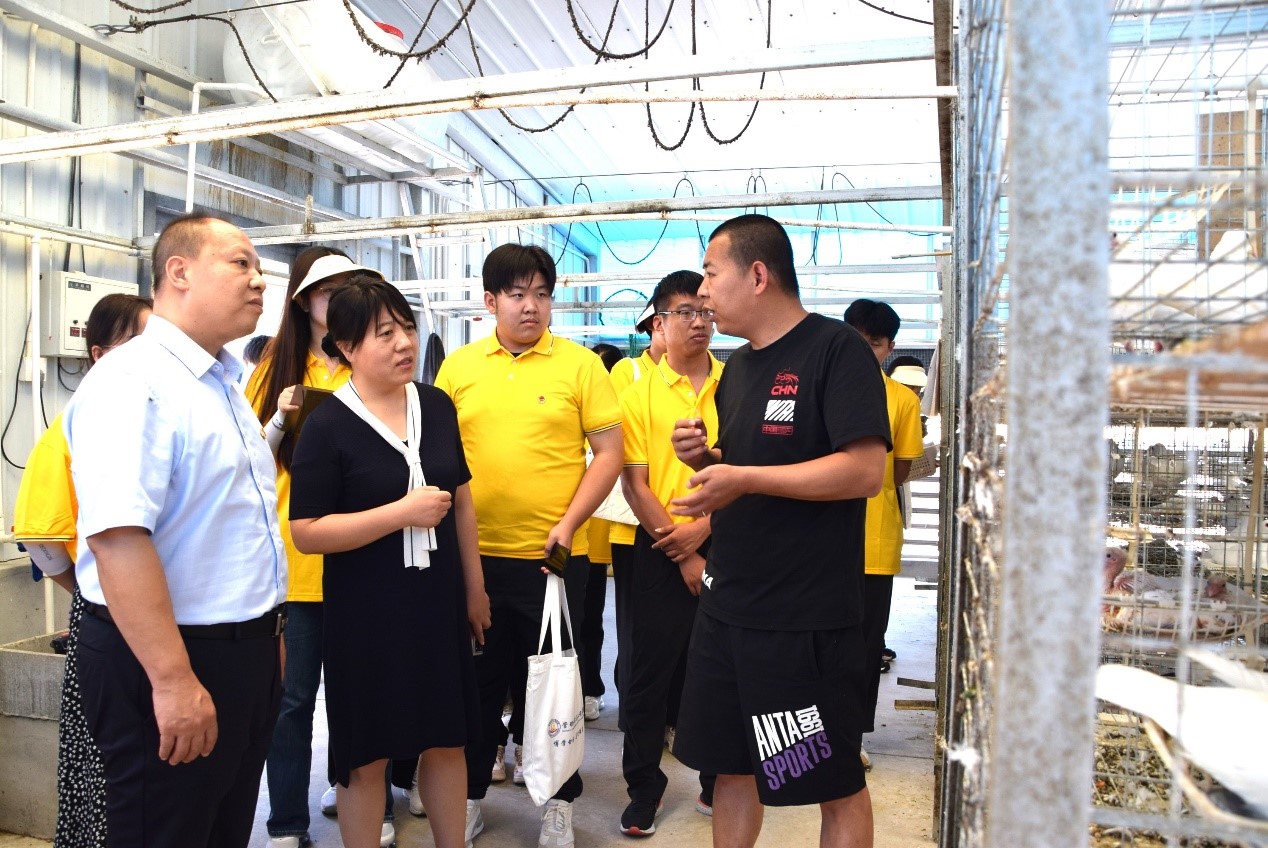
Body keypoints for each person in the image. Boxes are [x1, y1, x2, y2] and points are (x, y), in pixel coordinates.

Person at [62, 213, 288, 848]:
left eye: (259, 268)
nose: (258, 280)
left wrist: (264, 634)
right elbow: (117, 539)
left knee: (220, 828)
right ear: (179, 271)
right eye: (240, 263)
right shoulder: (132, 381)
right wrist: (172, 679)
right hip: (168, 657)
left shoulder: (223, 383)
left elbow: (229, 528)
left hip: (239, 654)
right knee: (164, 830)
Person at [669, 214, 890, 848]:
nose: (703, 292)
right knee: (730, 769)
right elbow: (756, 467)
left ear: (758, 275)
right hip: (728, 608)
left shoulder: (835, 351)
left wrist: (743, 478)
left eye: (712, 274)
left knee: (828, 781)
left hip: (801, 622)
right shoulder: (737, 368)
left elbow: (865, 470)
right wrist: (710, 460)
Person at [435, 243, 623, 848]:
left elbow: (610, 455)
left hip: (554, 560)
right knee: (476, 685)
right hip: (474, 559)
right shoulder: (459, 368)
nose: (531, 306)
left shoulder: (580, 366)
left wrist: (568, 525)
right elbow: (439, 459)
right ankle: (469, 798)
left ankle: (558, 804)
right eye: (517, 294)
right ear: (490, 301)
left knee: (553, 687)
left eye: (542, 294)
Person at [288, 275, 485, 848]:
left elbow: (462, 500)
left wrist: (474, 589)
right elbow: (307, 532)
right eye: (384, 334)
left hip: (437, 603)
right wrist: (400, 513)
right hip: (365, 615)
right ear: (347, 347)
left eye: (407, 328)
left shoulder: (436, 406)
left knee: (447, 739)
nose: (404, 343)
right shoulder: (327, 424)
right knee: (365, 754)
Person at [244, 247, 400, 848]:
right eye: (327, 291)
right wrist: (282, 417)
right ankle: (286, 821)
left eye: (349, 288)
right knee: (292, 700)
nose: (338, 301)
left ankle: (366, 801)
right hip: (299, 564)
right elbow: (245, 462)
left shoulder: (374, 363)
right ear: (303, 301)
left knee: (365, 694)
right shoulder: (273, 371)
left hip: (368, 558)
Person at [13, 293, 152, 848]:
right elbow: (41, 537)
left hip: (152, 618)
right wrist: (93, 591)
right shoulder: (72, 427)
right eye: (137, 342)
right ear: (99, 354)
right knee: (106, 772)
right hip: (108, 622)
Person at [616, 271, 721, 836]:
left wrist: (706, 530)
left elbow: (750, 472)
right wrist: (682, 551)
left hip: (724, 539)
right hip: (658, 542)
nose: (699, 322)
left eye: (705, 310)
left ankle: (716, 779)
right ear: (659, 321)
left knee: (719, 666)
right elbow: (635, 485)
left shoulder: (736, 383)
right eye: (685, 312)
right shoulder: (637, 393)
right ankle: (643, 788)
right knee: (648, 674)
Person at [843, 300, 924, 768]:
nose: (862, 349)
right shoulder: (818, 388)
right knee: (812, 642)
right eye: (855, 339)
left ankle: (851, 735)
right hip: (815, 544)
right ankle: (813, 732)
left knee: (865, 643)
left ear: (889, 347)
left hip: (874, 540)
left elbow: (898, 472)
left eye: (873, 343)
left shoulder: (903, 401)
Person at [581, 342, 624, 724]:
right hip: (586, 537)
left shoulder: (616, 418)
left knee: (623, 619)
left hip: (624, 532)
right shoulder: (578, 416)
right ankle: (588, 688)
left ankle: (609, 688)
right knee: (587, 617)